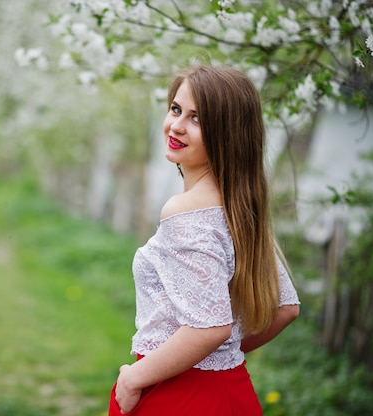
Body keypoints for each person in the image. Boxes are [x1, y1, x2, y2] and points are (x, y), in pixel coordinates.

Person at [109, 65, 300, 415]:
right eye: (176, 109)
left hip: (182, 397)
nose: (176, 125)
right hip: (232, 392)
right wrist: (224, 355)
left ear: (228, 134)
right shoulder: (241, 209)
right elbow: (285, 308)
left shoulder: (185, 211)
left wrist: (134, 378)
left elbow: (209, 329)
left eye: (198, 119)